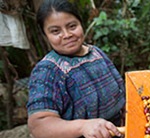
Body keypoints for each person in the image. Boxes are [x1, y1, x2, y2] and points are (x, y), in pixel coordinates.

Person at [26, 0, 126, 137]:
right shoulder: (47, 71)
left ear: (81, 24)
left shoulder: (96, 53)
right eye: (55, 31)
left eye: (72, 26)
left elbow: (121, 90)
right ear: (45, 36)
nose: (67, 35)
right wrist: (83, 126)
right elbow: (38, 125)